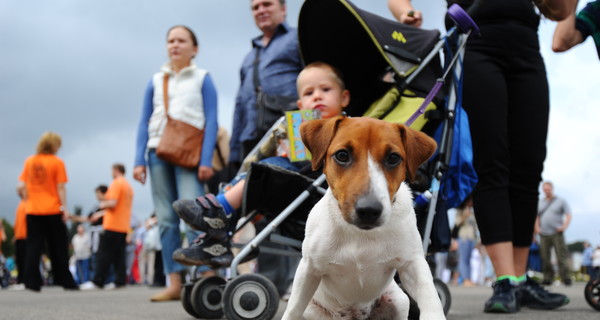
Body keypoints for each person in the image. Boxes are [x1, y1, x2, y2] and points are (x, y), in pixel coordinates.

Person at [390, 0, 574, 313]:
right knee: (492, 161)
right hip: (475, 40)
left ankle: (520, 279)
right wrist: (405, 12)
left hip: (527, 45)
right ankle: (504, 280)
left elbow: (561, 11)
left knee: (529, 165)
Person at [172, 62, 349, 267]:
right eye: (309, 93)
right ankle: (217, 236)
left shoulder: (349, 128)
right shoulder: (296, 125)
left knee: (266, 170)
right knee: (262, 168)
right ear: (301, 105)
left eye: (325, 90)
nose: (317, 96)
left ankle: (219, 211)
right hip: (293, 183)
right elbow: (266, 154)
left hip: (321, 187)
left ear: (344, 97)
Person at [133, 25, 218, 302]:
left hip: (189, 155)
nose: (175, 45)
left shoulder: (203, 78)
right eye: (170, 41)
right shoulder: (156, 80)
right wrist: (138, 160)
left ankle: (207, 276)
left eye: (181, 40)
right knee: (166, 220)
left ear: (195, 48)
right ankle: (173, 281)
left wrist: (206, 159)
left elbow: (212, 121)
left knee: (193, 215)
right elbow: (144, 120)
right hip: (157, 152)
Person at [229, 0, 303, 164]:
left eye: (267, 4)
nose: (261, 10)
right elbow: (239, 104)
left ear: (283, 9)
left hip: (290, 129)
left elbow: (315, 80)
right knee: (250, 186)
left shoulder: (297, 38)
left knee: (294, 182)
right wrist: (233, 153)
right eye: (255, 7)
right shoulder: (249, 58)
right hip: (250, 137)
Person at [17, 131, 78, 291]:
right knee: (58, 246)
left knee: (33, 246)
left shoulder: (29, 161)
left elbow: (21, 186)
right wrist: (64, 208)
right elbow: (60, 188)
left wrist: (27, 198)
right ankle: (64, 279)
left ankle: (31, 281)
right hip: (52, 209)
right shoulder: (57, 163)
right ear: (54, 145)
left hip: (33, 210)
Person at [80, 164, 133, 290]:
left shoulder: (116, 183)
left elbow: (113, 203)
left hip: (112, 224)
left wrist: (102, 204)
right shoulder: (128, 186)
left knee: (103, 254)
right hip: (123, 225)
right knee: (119, 257)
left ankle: (97, 280)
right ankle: (119, 281)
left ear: (116, 170)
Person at [535, 181, 573, 286]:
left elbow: (568, 214)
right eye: (544, 189)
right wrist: (537, 228)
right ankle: (547, 278)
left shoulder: (560, 201)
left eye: (548, 189)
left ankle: (565, 278)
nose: (546, 191)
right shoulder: (540, 202)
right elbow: (536, 216)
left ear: (552, 189)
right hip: (543, 233)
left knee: (561, 256)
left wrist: (564, 226)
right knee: (545, 257)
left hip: (557, 232)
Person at [454, 196, 478, 287]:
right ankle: (465, 279)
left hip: (472, 239)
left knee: (468, 260)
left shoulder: (473, 212)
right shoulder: (460, 210)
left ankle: (468, 279)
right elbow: (457, 223)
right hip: (463, 238)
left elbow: (475, 227)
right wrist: (464, 216)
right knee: (463, 259)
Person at [13, 188, 27, 285]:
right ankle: (20, 280)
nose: (18, 192)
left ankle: (25, 281)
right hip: (19, 236)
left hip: (25, 236)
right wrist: (15, 235)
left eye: (20, 190)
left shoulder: (27, 203)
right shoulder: (21, 204)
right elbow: (18, 222)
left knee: (25, 260)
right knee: (19, 260)